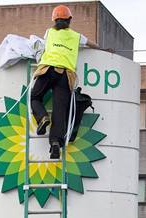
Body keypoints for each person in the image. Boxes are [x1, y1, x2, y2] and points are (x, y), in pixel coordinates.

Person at [30, 4, 101, 159]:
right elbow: (91, 44)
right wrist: (103, 50)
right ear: (70, 20)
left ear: (54, 20)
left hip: (48, 69)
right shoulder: (76, 37)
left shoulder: (49, 33)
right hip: (65, 75)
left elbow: (41, 46)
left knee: (35, 97)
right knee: (60, 112)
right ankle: (55, 143)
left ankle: (42, 117)